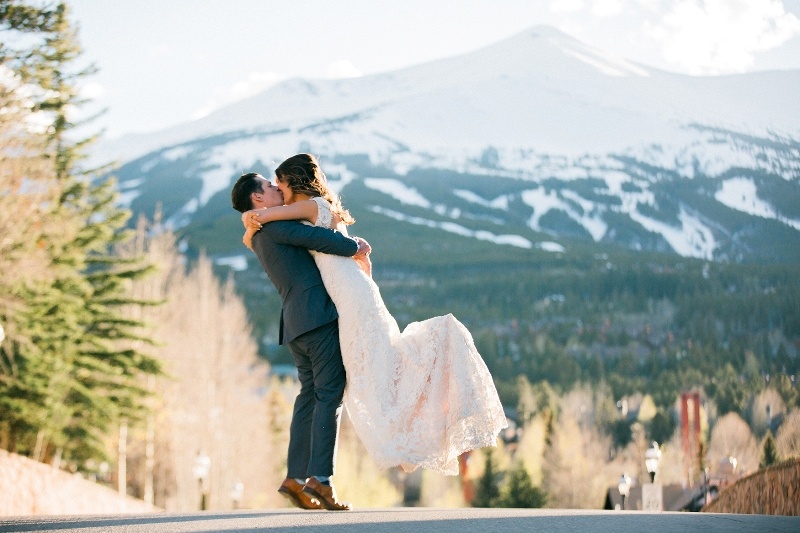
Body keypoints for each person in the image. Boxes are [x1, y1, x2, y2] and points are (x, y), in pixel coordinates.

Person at [240, 154, 507, 478]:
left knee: (367, 375)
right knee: (374, 372)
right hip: (345, 298)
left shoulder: (308, 207)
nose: (277, 188)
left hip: (346, 299)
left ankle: (317, 474)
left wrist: (252, 221)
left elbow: (282, 221)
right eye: (271, 185)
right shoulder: (298, 215)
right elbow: (303, 233)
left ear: (295, 181)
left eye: (278, 182)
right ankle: (400, 443)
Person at [231, 172, 371, 511]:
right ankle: (320, 480)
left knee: (309, 396)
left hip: (294, 324)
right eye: (267, 186)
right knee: (329, 395)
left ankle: (295, 477)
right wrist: (357, 246)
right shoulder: (276, 227)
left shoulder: (260, 234)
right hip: (317, 318)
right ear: (257, 199)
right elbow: (324, 240)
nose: (276, 188)